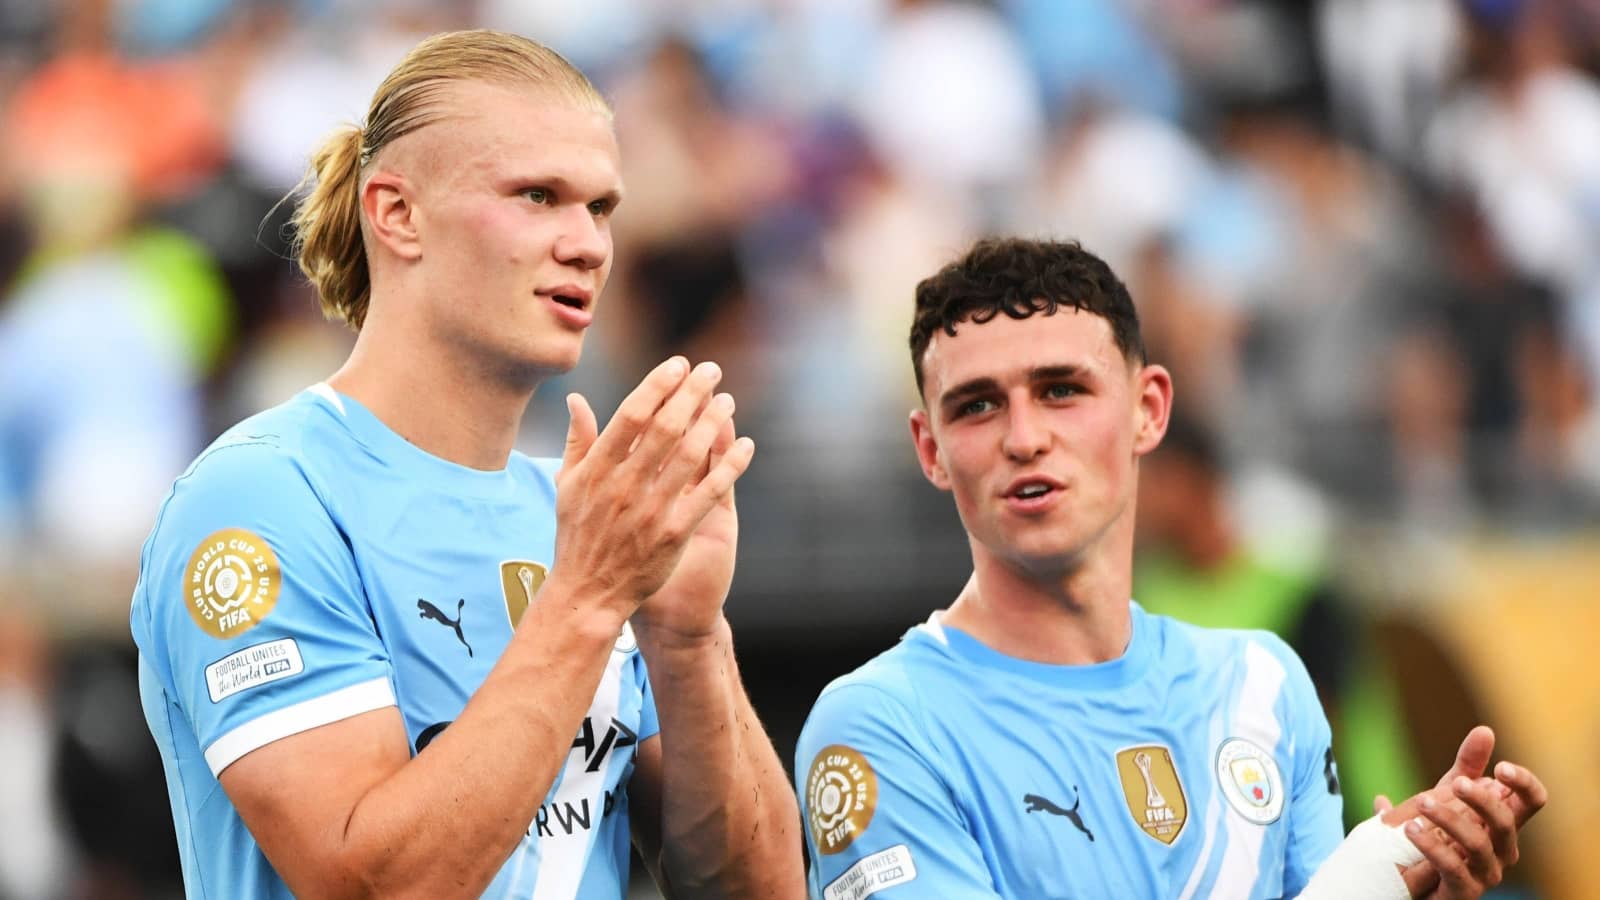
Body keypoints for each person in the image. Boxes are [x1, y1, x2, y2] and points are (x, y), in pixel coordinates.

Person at [130, 30, 802, 898]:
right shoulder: (262, 497)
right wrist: (591, 598)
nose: (588, 244)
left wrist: (687, 634)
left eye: (601, 208)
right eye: (537, 195)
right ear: (396, 213)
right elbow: (370, 885)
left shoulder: (573, 517)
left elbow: (756, 890)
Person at [794, 237, 1546, 898]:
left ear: (1148, 410)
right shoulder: (878, 728)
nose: (1024, 437)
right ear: (931, 450)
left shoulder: (1263, 686)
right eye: (977, 406)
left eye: (1062, 390)